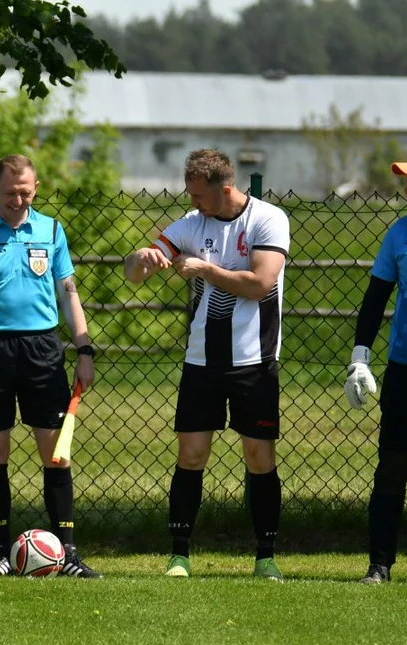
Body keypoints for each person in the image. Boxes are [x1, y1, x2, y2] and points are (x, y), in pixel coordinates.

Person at [123, 148, 290, 581]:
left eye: (199, 195)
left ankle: (265, 557)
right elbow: (134, 273)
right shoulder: (191, 224)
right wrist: (142, 258)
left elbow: (259, 284)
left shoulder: (268, 219)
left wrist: (203, 268)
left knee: (259, 457)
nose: (193, 202)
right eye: (190, 194)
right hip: (201, 362)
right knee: (191, 455)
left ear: (225, 188)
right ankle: (179, 555)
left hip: (255, 361)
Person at [0, 154, 100, 578]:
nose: (18, 199)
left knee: (57, 454)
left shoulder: (51, 230)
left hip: (43, 350)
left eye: (25, 191)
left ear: (37, 186)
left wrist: (84, 350)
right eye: (10, 191)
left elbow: (68, 294)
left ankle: (67, 554)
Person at [344, 151, 407, 584]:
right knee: (391, 470)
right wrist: (360, 357)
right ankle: (380, 566)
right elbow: (375, 299)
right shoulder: (401, 233)